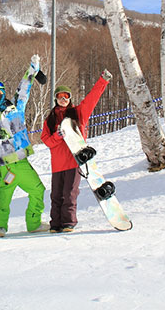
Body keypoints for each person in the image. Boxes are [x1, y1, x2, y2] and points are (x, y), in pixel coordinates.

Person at [0, 55, 47, 238]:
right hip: (4, 165)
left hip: (21, 160)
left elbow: (24, 89)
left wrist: (33, 69)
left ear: (4, 92)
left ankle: (33, 223)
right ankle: (0, 227)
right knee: (3, 198)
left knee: (38, 190)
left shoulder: (16, 107)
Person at [40, 69, 113, 233]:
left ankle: (68, 222)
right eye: (60, 97)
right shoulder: (50, 119)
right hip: (57, 164)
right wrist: (57, 136)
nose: (63, 99)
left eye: (66, 97)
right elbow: (46, 140)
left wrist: (103, 81)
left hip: (74, 161)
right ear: (56, 99)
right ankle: (55, 224)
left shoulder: (78, 113)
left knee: (70, 193)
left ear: (70, 98)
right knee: (56, 195)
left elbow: (92, 99)